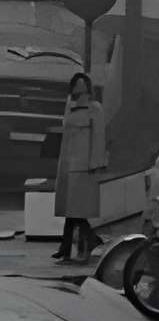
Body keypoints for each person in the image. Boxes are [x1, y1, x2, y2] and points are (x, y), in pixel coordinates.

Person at [51, 72, 105, 262]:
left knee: (76, 211)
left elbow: (99, 137)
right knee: (71, 210)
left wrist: (96, 163)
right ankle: (67, 248)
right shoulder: (69, 105)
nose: (79, 88)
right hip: (68, 163)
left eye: (82, 84)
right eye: (76, 84)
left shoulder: (95, 108)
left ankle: (87, 241)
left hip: (84, 166)